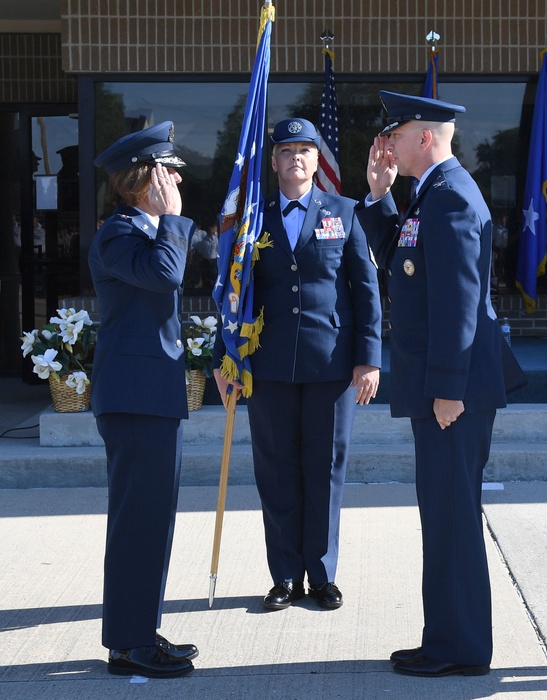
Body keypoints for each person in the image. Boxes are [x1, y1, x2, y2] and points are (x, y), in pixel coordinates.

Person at [357, 91, 510, 678]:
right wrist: (378, 198)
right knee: (442, 515)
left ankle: (463, 647)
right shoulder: (431, 195)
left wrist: (450, 389)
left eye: (395, 135)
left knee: (452, 515)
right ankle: (443, 636)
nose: (387, 145)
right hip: (443, 385)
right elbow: (404, 261)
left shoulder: (450, 199)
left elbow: (458, 305)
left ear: (424, 138)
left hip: (454, 390)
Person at [212, 117, 382, 613]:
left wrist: (368, 358)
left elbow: (365, 291)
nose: (297, 158)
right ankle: (284, 575)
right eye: (287, 150)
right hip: (267, 367)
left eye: (305, 149)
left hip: (331, 364)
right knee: (276, 470)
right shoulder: (252, 220)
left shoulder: (345, 213)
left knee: (325, 468)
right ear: (274, 161)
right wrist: (227, 358)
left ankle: (323, 574)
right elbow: (234, 294)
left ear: (316, 158)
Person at [88, 121, 198, 678]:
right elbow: (165, 273)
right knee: (138, 522)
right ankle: (129, 643)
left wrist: (171, 222)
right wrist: (172, 219)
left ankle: (138, 631)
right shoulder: (120, 233)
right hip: (134, 400)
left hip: (152, 396)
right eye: (167, 170)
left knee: (153, 522)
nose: (177, 178)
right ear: (141, 180)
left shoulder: (147, 229)